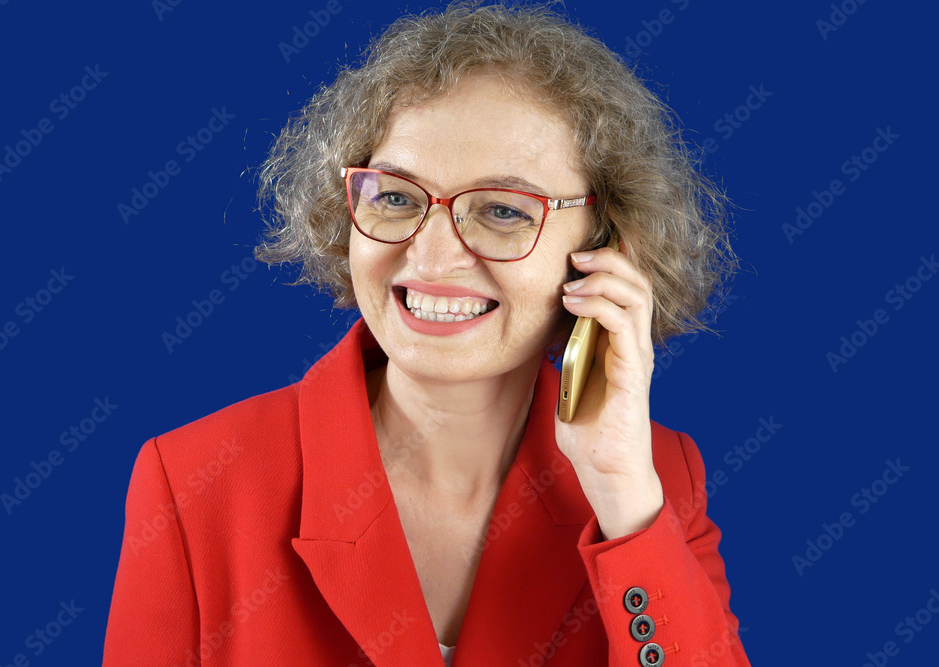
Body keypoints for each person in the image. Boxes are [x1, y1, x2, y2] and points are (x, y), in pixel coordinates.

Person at [103, 3, 750, 665]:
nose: (433, 257)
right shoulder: (195, 483)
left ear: (606, 241)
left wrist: (623, 499)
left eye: (503, 209)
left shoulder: (656, 478)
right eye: (396, 197)